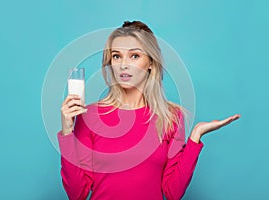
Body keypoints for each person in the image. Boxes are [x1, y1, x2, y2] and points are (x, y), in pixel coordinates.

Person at [57, 21, 240, 200]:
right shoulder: (90, 116)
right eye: (116, 56)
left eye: (134, 56)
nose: (123, 65)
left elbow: (172, 193)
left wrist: (195, 137)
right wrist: (67, 131)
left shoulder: (171, 118)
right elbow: (77, 194)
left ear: (151, 63)